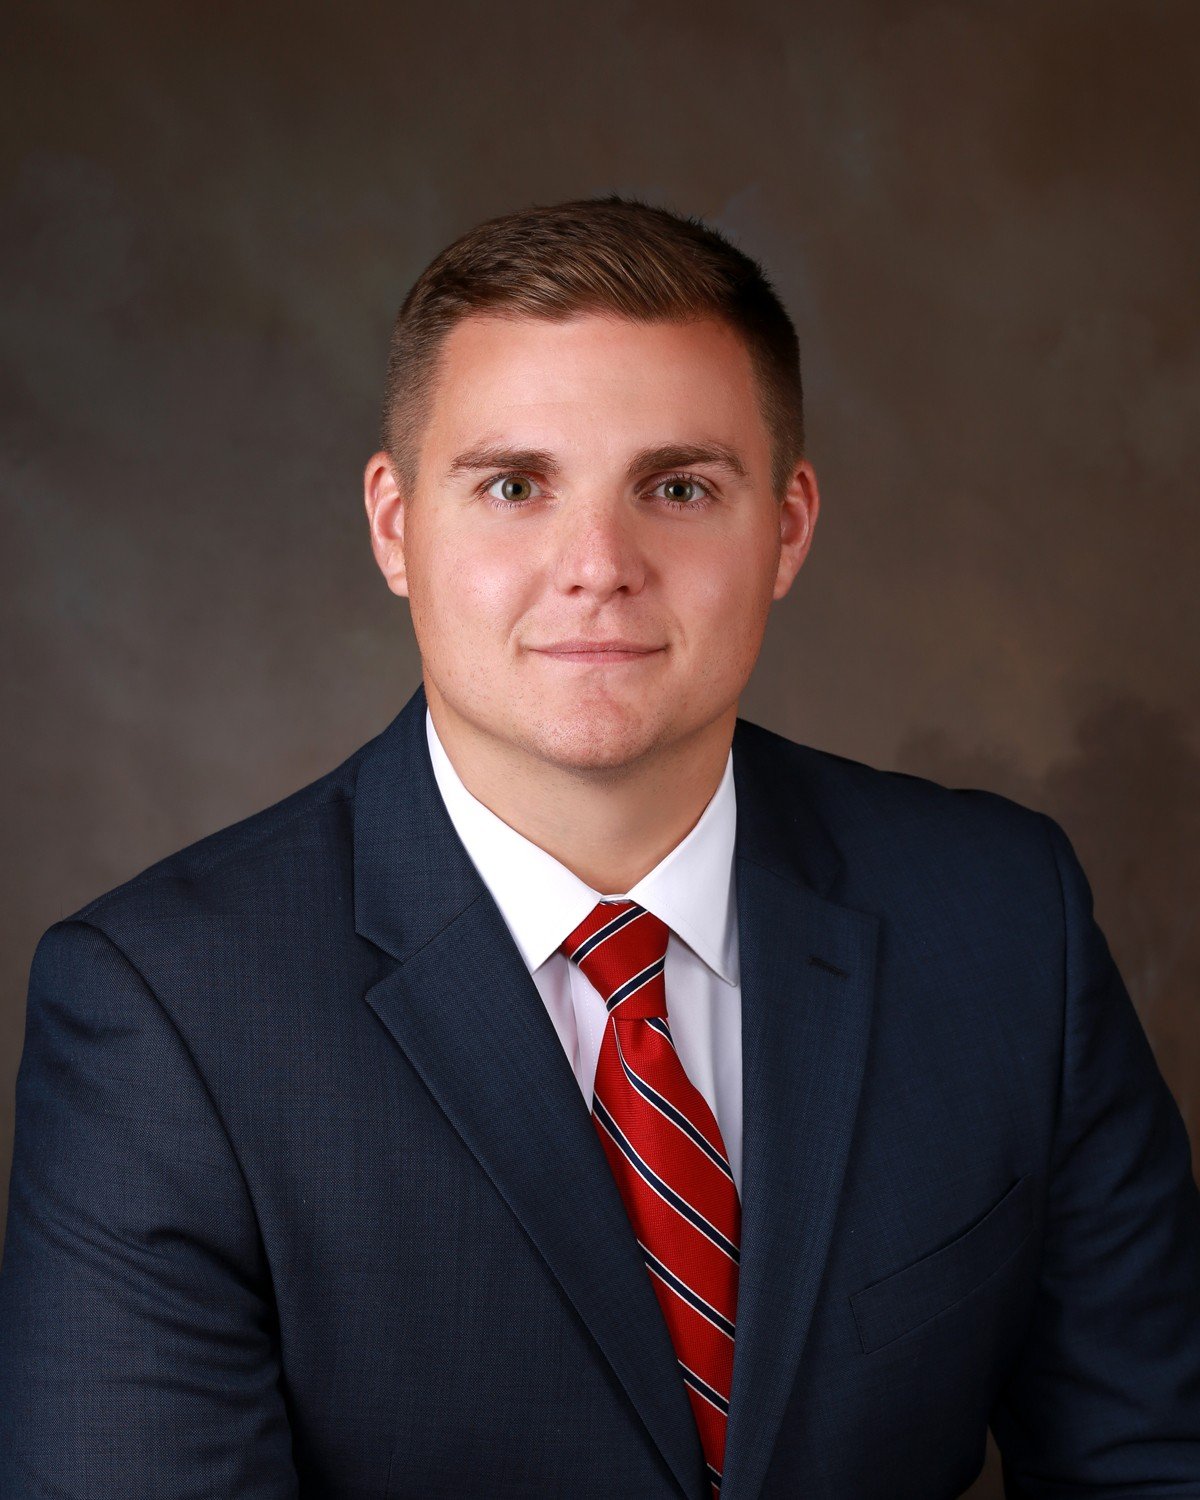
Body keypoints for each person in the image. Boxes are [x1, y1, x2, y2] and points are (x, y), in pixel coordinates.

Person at [1, 195, 1197, 1500]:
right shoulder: (162, 1012)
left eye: (677, 488)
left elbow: (1149, 1463)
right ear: (396, 526)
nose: (599, 565)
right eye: (515, 486)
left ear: (788, 527)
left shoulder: (1003, 921)